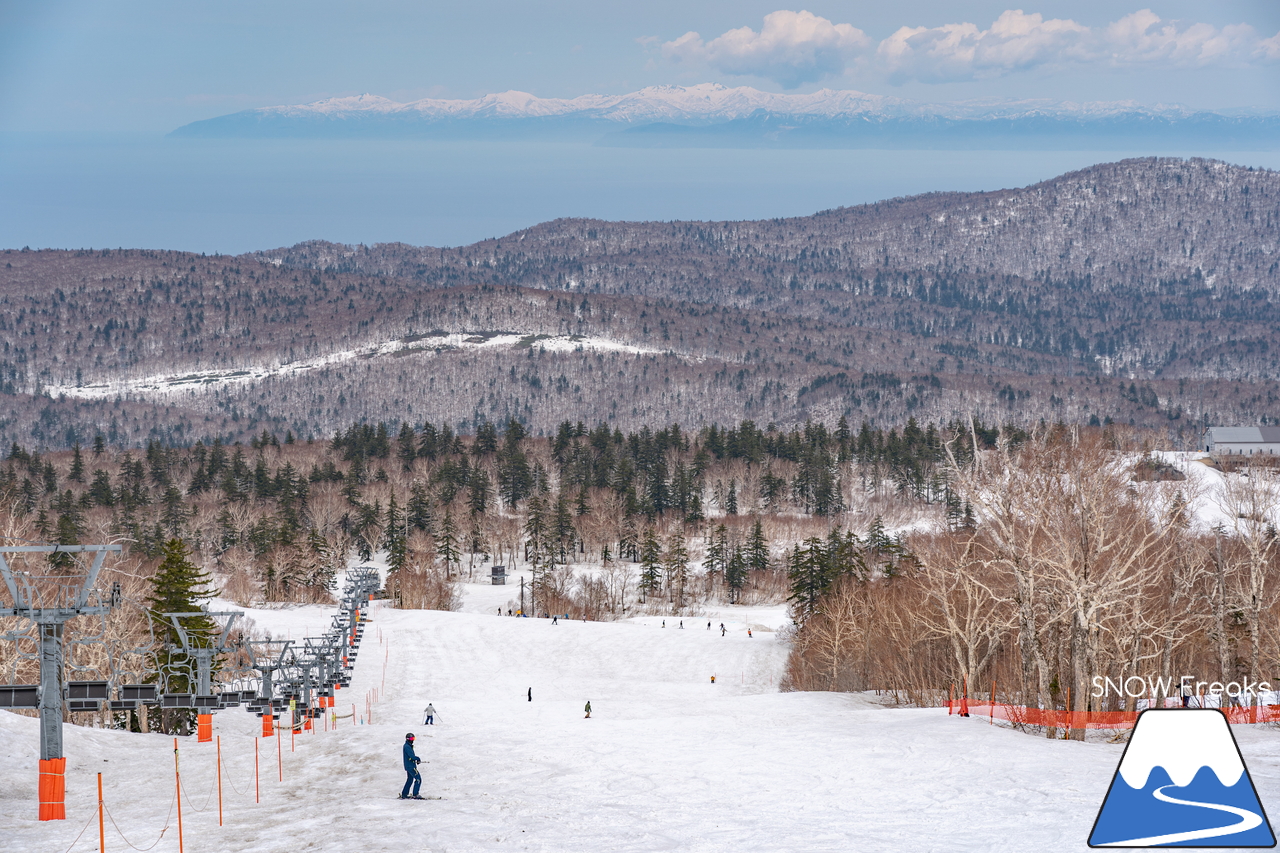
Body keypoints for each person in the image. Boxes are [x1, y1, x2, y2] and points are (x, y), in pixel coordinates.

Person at [400, 733, 423, 800]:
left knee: (410, 780)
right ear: (408, 739)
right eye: (411, 739)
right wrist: (417, 758)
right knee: (418, 779)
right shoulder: (407, 747)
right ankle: (415, 794)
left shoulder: (408, 746)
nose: (412, 740)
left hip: (408, 765)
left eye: (413, 738)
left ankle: (404, 794)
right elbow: (411, 756)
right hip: (411, 766)